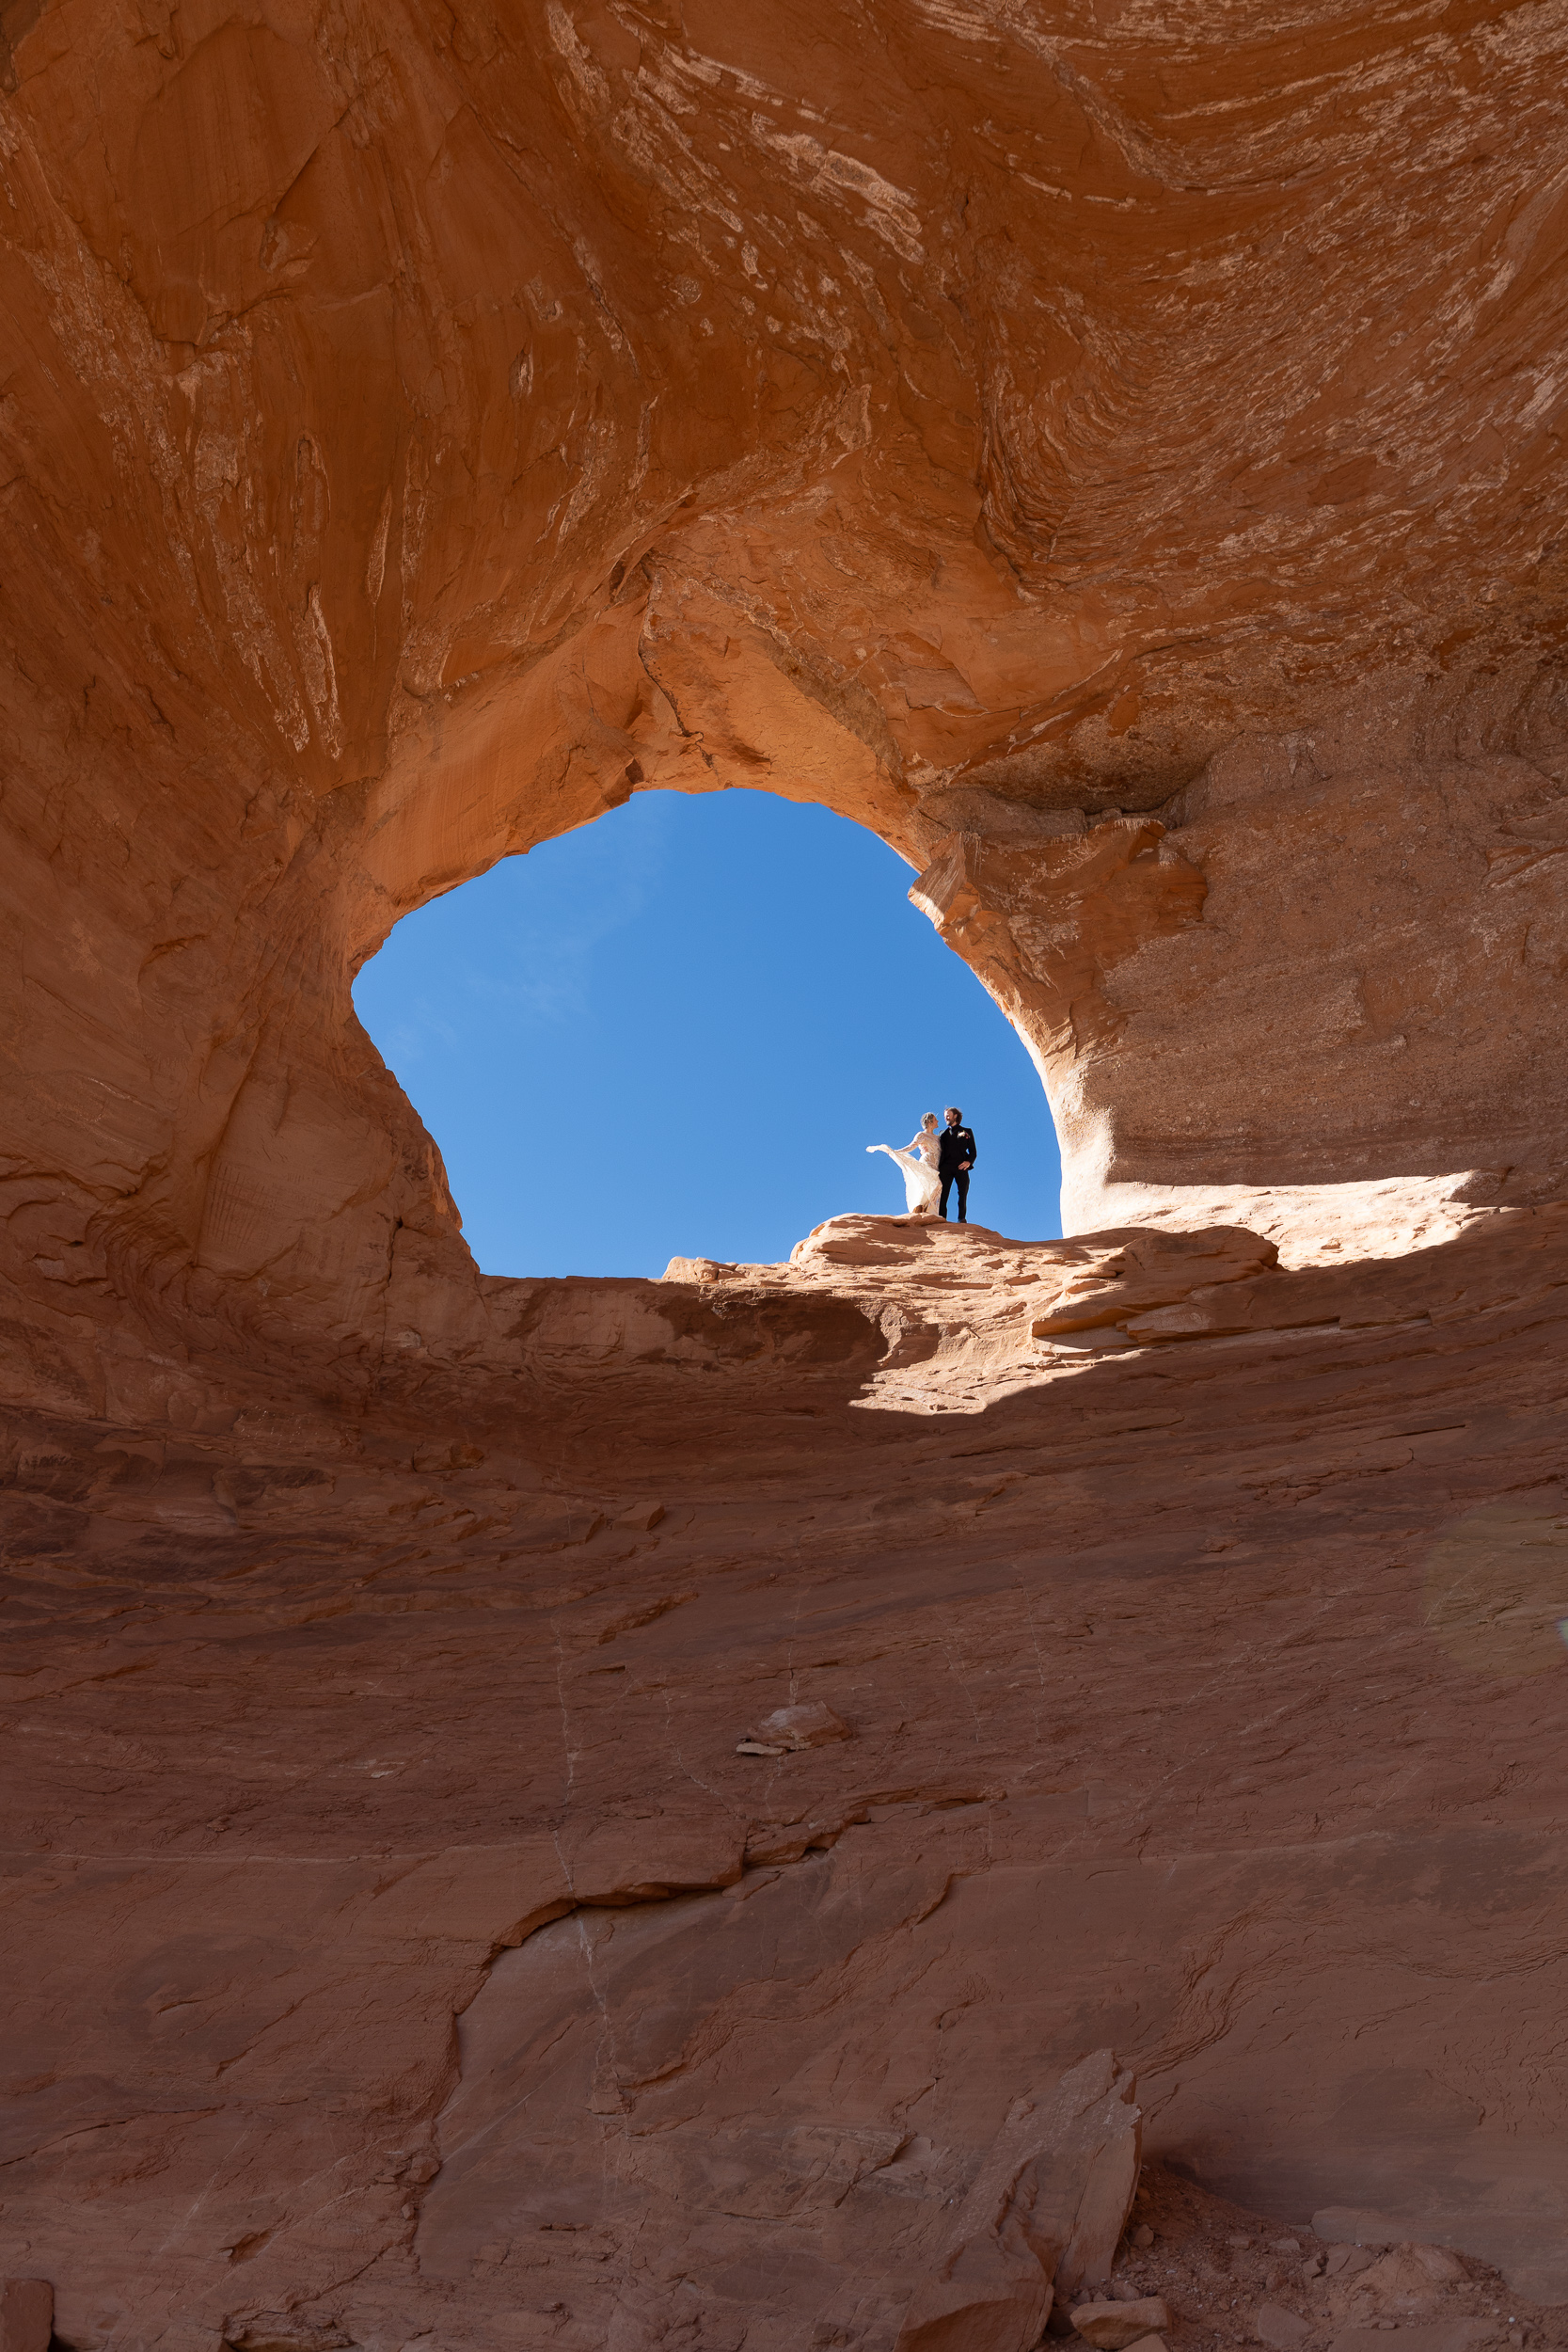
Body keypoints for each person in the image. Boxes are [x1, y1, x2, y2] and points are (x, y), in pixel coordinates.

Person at [867, 1113, 942, 1216]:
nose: (938, 1121)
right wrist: (896, 1152)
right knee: (927, 1185)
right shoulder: (921, 1135)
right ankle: (918, 1209)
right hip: (927, 1161)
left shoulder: (938, 1138)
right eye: (935, 1119)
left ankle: (926, 1211)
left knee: (937, 1186)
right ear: (930, 1122)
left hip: (936, 1164)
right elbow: (911, 1146)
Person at [938, 1105, 976, 1221]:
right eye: (945, 1116)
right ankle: (941, 1219)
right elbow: (935, 1148)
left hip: (961, 1166)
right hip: (945, 1167)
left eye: (948, 1115)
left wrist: (969, 1162)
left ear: (955, 1116)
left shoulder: (967, 1131)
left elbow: (973, 1151)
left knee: (963, 1193)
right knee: (942, 1194)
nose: (946, 1118)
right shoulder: (941, 1133)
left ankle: (961, 1219)